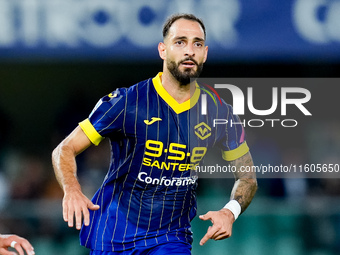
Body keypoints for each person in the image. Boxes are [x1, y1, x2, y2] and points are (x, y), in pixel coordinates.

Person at [52, 13, 257, 255]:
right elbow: (64, 149)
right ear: (163, 50)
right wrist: (72, 189)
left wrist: (229, 211)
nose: (189, 50)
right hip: (115, 234)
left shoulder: (220, 112)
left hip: (171, 237)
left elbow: (247, 178)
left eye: (197, 43)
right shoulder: (127, 102)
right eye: (180, 42)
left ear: (205, 53)